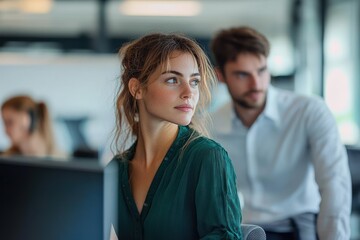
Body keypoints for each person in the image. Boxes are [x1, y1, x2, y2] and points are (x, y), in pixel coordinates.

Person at [209, 26, 351, 240]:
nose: (256, 84)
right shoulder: (209, 124)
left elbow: (334, 183)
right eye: (242, 74)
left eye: (262, 71)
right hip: (244, 228)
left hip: (299, 223)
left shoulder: (309, 111)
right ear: (220, 76)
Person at [107, 33, 242, 239]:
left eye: (194, 81)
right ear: (137, 88)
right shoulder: (115, 171)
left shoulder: (208, 158)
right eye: (172, 80)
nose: (189, 92)